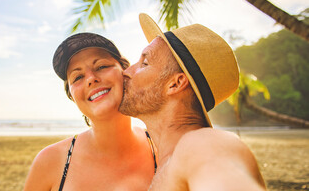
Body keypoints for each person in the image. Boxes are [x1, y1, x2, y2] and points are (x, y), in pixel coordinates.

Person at [119, 13, 266, 191]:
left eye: (144, 63)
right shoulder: (167, 161)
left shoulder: (202, 145)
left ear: (175, 83)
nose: (126, 71)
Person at [23, 32, 157, 191]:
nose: (91, 79)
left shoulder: (162, 148)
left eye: (101, 66)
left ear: (125, 73)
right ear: (72, 96)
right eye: (78, 77)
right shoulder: (51, 161)